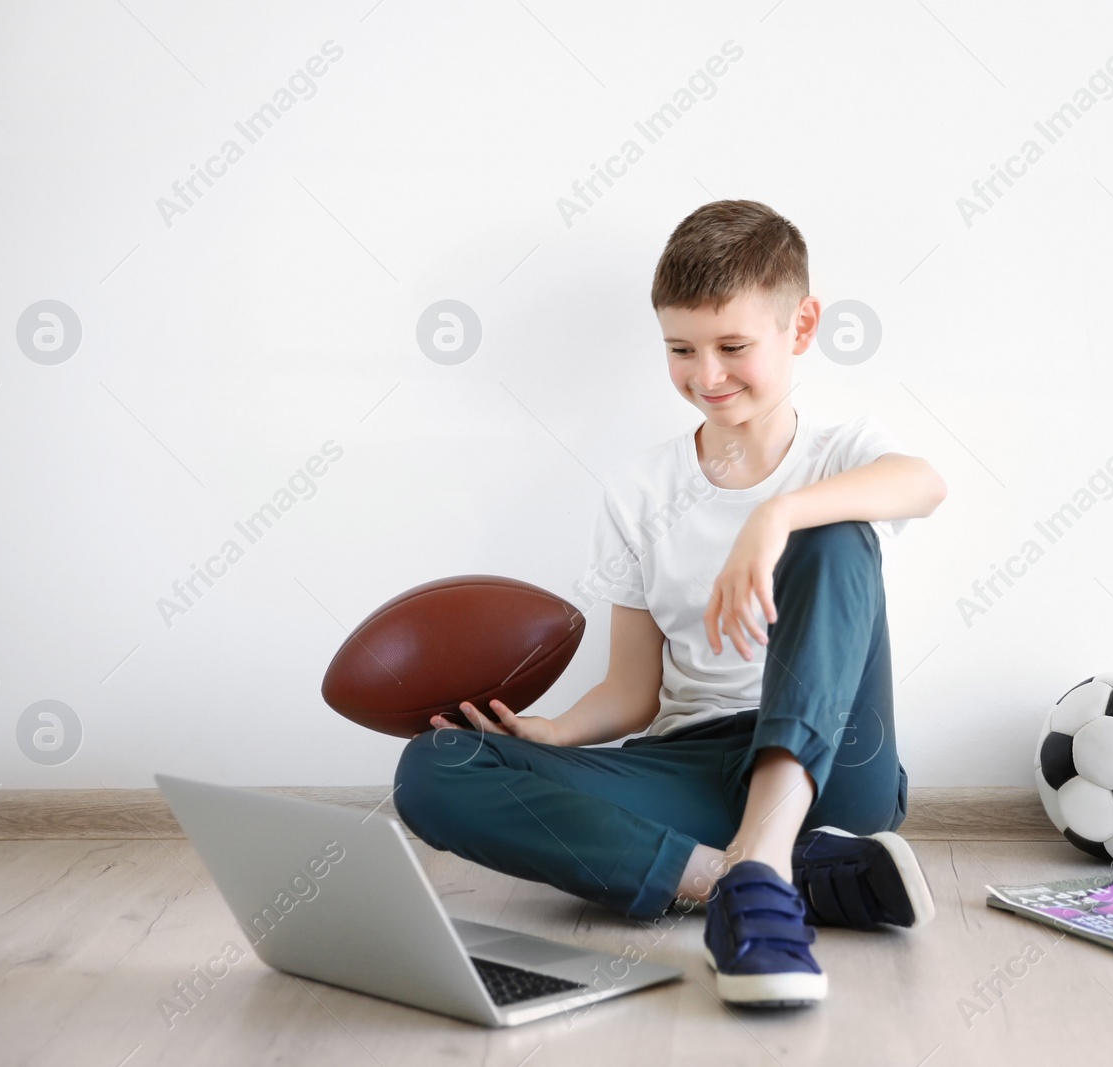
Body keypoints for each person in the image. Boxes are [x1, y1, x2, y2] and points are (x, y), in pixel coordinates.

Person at [393, 199, 948, 1008]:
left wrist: (776, 514)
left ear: (800, 328)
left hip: (839, 765)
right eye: (681, 349)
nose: (707, 375)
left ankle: (758, 856)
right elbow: (633, 692)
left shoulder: (841, 453)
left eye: (732, 346)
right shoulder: (640, 491)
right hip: (695, 762)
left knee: (838, 533)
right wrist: (550, 734)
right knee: (432, 771)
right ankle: (746, 875)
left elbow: (926, 484)